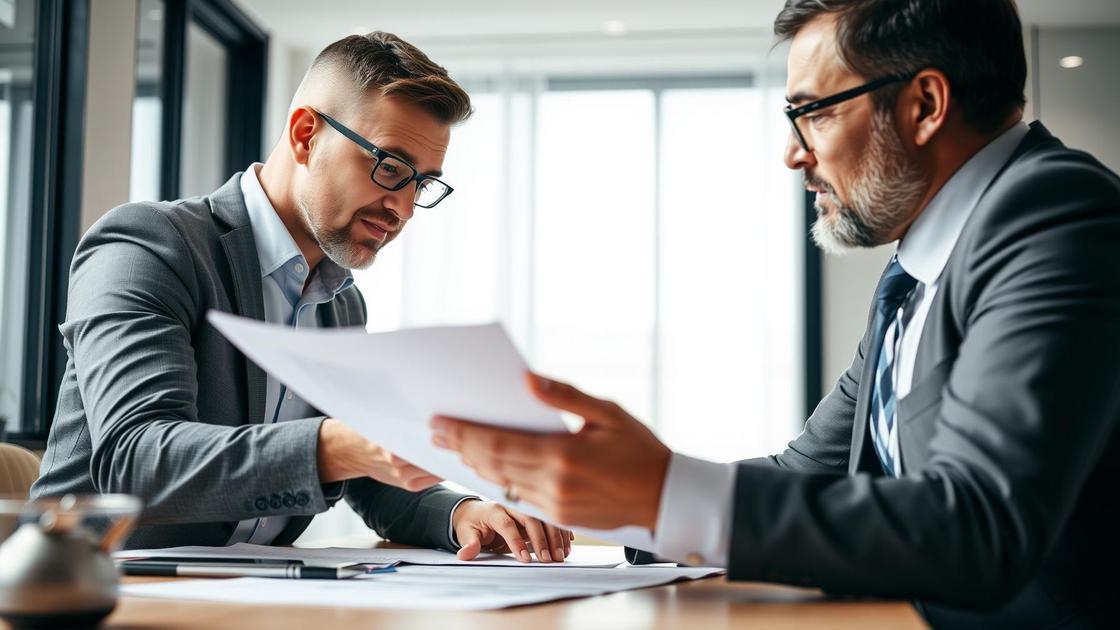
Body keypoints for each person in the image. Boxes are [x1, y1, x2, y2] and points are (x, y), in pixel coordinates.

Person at [430, 0, 1120, 624]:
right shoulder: (920, 272)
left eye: (814, 112)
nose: (794, 153)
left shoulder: (1056, 216)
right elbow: (804, 474)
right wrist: (602, 501)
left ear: (924, 104)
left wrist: (662, 492)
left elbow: (978, 526)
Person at [32, 31, 573, 564]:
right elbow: (137, 461)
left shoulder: (341, 301)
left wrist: (457, 514)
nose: (404, 209)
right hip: (101, 589)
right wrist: (341, 445)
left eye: (422, 185)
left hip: (257, 593)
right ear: (306, 134)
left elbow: (364, 471)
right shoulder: (149, 244)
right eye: (389, 167)